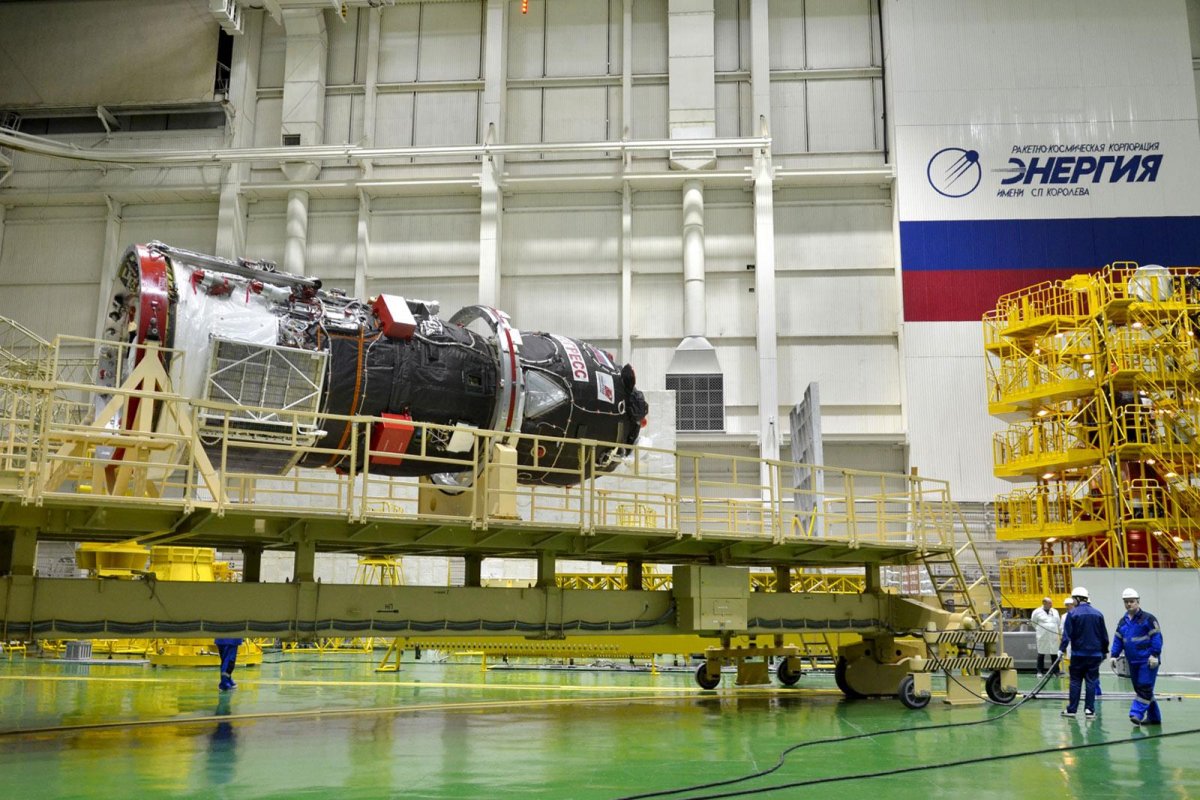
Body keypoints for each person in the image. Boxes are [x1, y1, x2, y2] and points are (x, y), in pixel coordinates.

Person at [1111, 587, 1163, 726]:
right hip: (1132, 661)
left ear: (1138, 601)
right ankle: (1154, 718)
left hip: (1148, 660)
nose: (1129, 604)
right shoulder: (1123, 622)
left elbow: (1157, 637)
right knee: (1141, 689)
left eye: (1131, 601)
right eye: (1126, 601)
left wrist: (1155, 655)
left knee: (1144, 686)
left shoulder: (1148, 619)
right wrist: (1114, 655)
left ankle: (1136, 713)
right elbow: (1118, 639)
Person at [1058, 586, 1107, 720]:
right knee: (1091, 682)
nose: (1072, 602)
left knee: (1075, 681)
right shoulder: (1098, 614)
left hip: (1078, 655)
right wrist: (1104, 652)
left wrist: (1061, 649)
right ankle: (1089, 710)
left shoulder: (1072, 614)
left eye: (1073, 599)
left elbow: (1067, 635)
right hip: (1094, 655)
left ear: (1078, 599)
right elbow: (1104, 636)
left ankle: (1072, 710)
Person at [1030, 597, 1062, 676]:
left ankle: (1056, 671)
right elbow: (1033, 622)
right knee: (1041, 653)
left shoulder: (1055, 611)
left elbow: (1058, 622)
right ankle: (1040, 671)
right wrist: (1041, 629)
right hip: (1042, 635)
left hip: (1053, 635)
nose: (1051, 604)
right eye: (1049, 603)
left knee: (1054, 653)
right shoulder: (1037, 612)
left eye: (1051, 603)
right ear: (1044, 603)